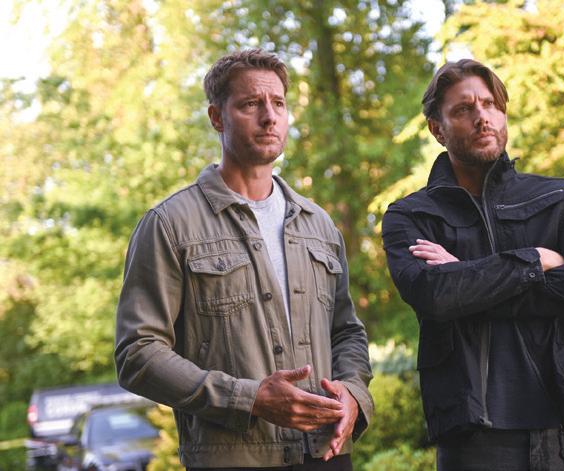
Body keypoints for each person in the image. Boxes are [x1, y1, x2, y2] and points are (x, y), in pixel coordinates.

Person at [115, 49, 373, 471]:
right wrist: (248, 399)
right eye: (251, 104)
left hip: (326, 454)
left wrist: (354, 394)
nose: (269, 117)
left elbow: (346, 333)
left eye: (279, 104)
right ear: (217, 118)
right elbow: (137, 354)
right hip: (235, 459)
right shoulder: (169, 225)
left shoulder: (319, 225)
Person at [381, 59, 564, 471]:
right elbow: (435, 295)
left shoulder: (562, 198)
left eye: (490, 104)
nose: (482, 117)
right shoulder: (411, 216)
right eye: (463, 109)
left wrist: (468, 276)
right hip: (476, 439)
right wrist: (537, 259)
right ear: (437, 129)